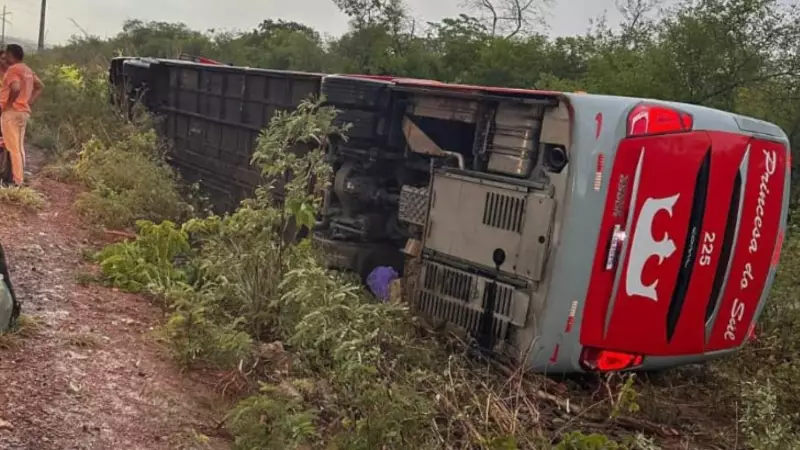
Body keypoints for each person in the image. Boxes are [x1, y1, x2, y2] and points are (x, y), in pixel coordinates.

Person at [0, 44, 44, 186]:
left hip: (10, 112)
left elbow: (16, 88)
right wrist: (27, 102)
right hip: (22, 111)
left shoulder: (13, 70)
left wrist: (10, 103)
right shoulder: (27, 69)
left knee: (13, 148)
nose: (4, 58)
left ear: (11, 55)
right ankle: (18, 178)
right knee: (17, 147)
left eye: (6, 55)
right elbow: (39, 86)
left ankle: (16, 181)